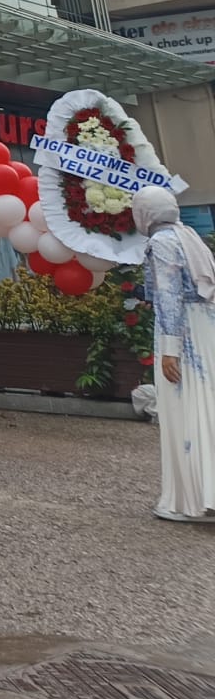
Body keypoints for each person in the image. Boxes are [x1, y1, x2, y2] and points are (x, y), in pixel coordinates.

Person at [137, 186, 215, 522]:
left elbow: (168, 296)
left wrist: (170, 349)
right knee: (207, 405)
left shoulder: (162, 242)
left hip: (183, 332)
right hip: (206, 326)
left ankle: (192, 500)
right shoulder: (189, 236)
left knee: (184, 409)